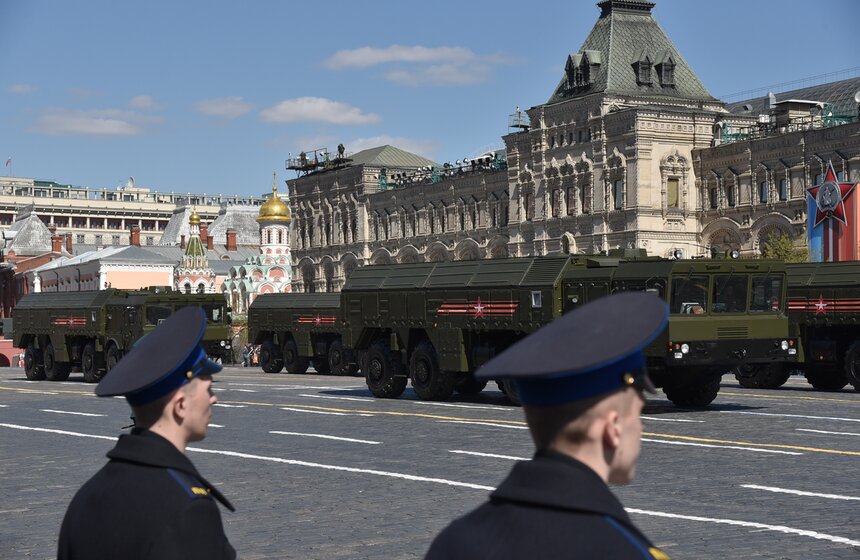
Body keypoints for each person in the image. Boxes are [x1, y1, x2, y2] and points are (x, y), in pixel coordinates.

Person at [425, 292, 671, 560]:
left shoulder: (455, 544)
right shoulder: (627, 551)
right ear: (612, 428)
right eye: (637, 414)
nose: (642, 426)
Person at [58, 306, 236, 559]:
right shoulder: (188, 508)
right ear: (181, 405)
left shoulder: (87, 496)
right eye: (208, 390)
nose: (214, 399)